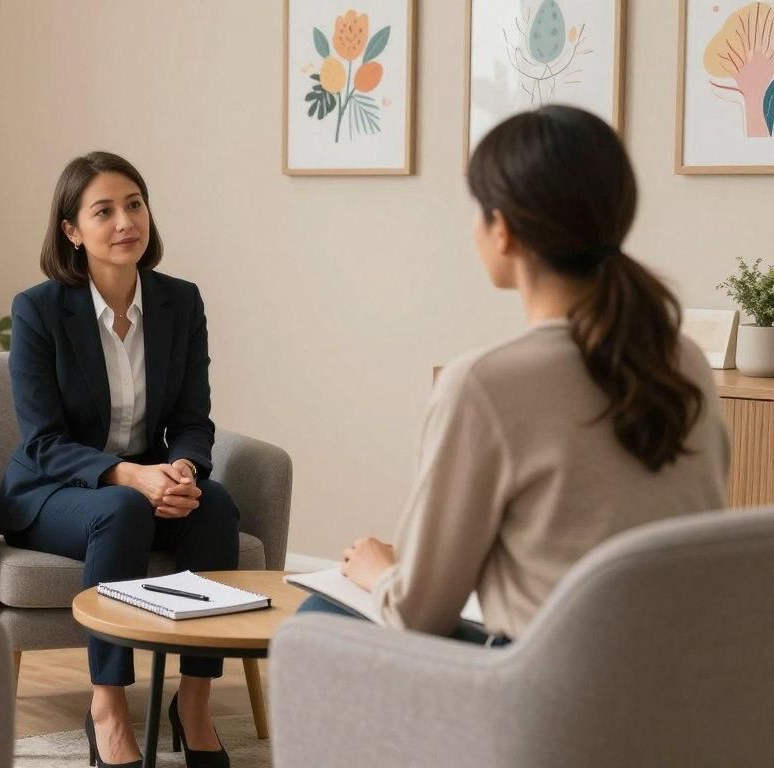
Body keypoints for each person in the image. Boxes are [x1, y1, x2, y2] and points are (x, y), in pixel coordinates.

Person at [302, 106, 731, 645]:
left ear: (501, 229)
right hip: (678, 687)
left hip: (544, 699)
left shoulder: (483, 383)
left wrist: (377, 569)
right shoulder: (682, 359)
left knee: (317, 621)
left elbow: (419, 614)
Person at [0, 151, 239, 768]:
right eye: (103, 210)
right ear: (72, 232)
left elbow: (190, 419)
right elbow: (41, 440)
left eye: (135, 204)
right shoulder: (39, 310)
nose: (126, 221)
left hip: (143, 482)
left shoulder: (180, 302)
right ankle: (107, 707)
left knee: (216, 507)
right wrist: (131, 475)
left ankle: (195, 703)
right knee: (123, 510)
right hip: (53, 491)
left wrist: (182, 471)